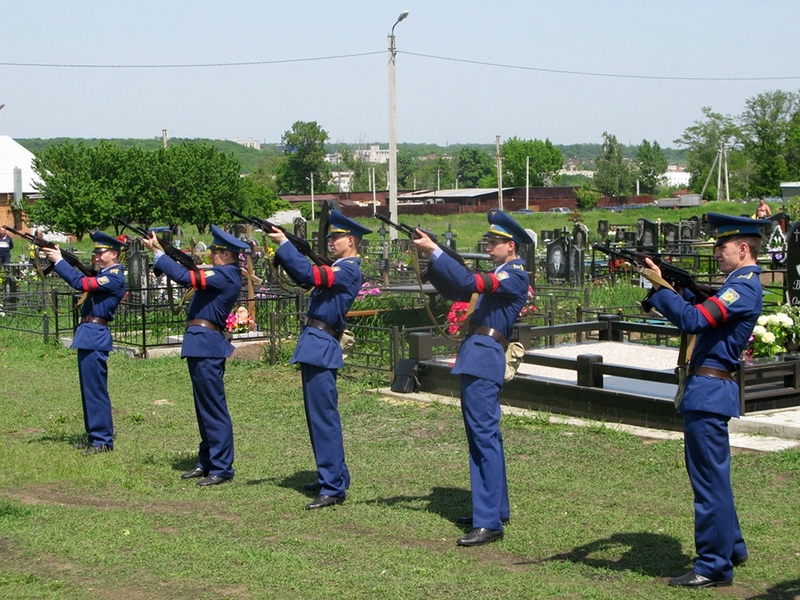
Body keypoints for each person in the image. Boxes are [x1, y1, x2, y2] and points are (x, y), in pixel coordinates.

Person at [645, 213, 769, 588]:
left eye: (722, 247)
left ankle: (713, 565)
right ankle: (732, 546)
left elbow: (695, 321)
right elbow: (705, 312)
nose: (717, 253)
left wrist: (659, 288)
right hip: (709, 392)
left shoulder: (743, 287)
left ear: (743, 248)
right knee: (714, 479)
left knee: (708, 483)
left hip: (709, 393)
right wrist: (676, 288)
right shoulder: (737, 284)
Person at [412, 209, 532, 547]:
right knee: (484, 437)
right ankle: (494, 509)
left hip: (483, 358)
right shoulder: (502, 272)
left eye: (494, 242)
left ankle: (489, 521)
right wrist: (433, 259)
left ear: (511, 246)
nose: (489, 245)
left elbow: (468, 283)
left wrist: (434, 250)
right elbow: (458, 291)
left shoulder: (515, 274)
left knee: (483, 438)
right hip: (477, 356)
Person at [266, 211, 371, 510]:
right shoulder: (339, 266)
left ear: (350, 240)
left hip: (322, 345)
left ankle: (333, 487)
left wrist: (285, 245)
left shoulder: (349, 269)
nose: (329, 241)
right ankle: (334, 475)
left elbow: (310, 276)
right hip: (315, 344)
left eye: (334, 237)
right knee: (318, 419)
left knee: (323, 419)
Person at [143, 225, 248, 486]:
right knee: (203, 409)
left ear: (227, 255)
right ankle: (207, 461)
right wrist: (163, 250)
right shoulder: (222, 273)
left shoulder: (226, 275)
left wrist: (158, 255)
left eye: (215, 252)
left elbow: (185, 277)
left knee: (213, 408)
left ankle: (222, 467)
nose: (211, 255)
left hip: (207, 346)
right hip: (200, 344)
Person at [42, 232, 127, 454]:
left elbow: (80, 282)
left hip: (96, 335)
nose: (97, 257)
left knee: (95, 390)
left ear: (114, 254)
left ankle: (102, 440)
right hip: (89, 334)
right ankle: (95, 436)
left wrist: (59, 261)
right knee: (89, 390)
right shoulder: (105, 274)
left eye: (101, 253)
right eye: (95, 253)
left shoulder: (114, 276)